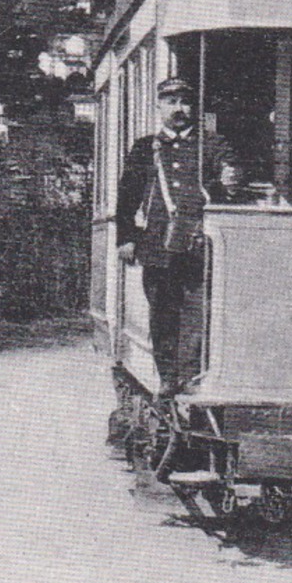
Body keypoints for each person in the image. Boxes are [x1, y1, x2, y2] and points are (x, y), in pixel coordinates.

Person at [114, 77, 238, 396]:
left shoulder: (210, 144)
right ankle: (168, 375)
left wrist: (229, 175)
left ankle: (190, 375)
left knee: (197, 310)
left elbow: (230, 170)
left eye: (184, 101)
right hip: (157, 245)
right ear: (159, 107)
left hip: (198, 245)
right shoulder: (144, 149)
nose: (179, 108)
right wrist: (126, 238)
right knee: (163, 312)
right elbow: (127, 197)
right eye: (171, 102)